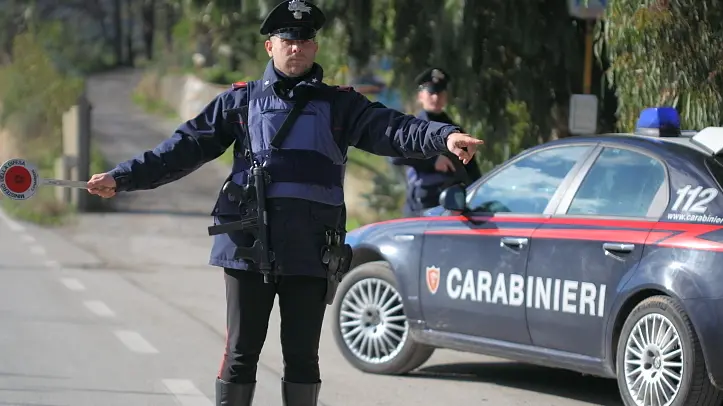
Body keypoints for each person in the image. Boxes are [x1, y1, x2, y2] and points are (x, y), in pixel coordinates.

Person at [85, 1, 483, 405]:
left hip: (311, 249)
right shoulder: (239, 102)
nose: (297, 47)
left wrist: (444, 137)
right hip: (248, 247)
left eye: (305, 40)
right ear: (270, 47)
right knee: (241, 355)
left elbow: (394, 129)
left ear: (315, 47)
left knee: (302, 360)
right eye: (288, 40)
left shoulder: (340, 105)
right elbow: (183, 148)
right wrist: (123, 178)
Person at [390, 67, 483, 217]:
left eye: (439, 93)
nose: (435, 98)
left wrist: (481, 193)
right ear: (421, 96)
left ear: (446, 97)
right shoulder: (413, 126)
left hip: (453, 205)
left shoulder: (455, 129)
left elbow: (472, 168)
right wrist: (433, 161)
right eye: (431, 93)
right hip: (422, 206)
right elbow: (394, 155)